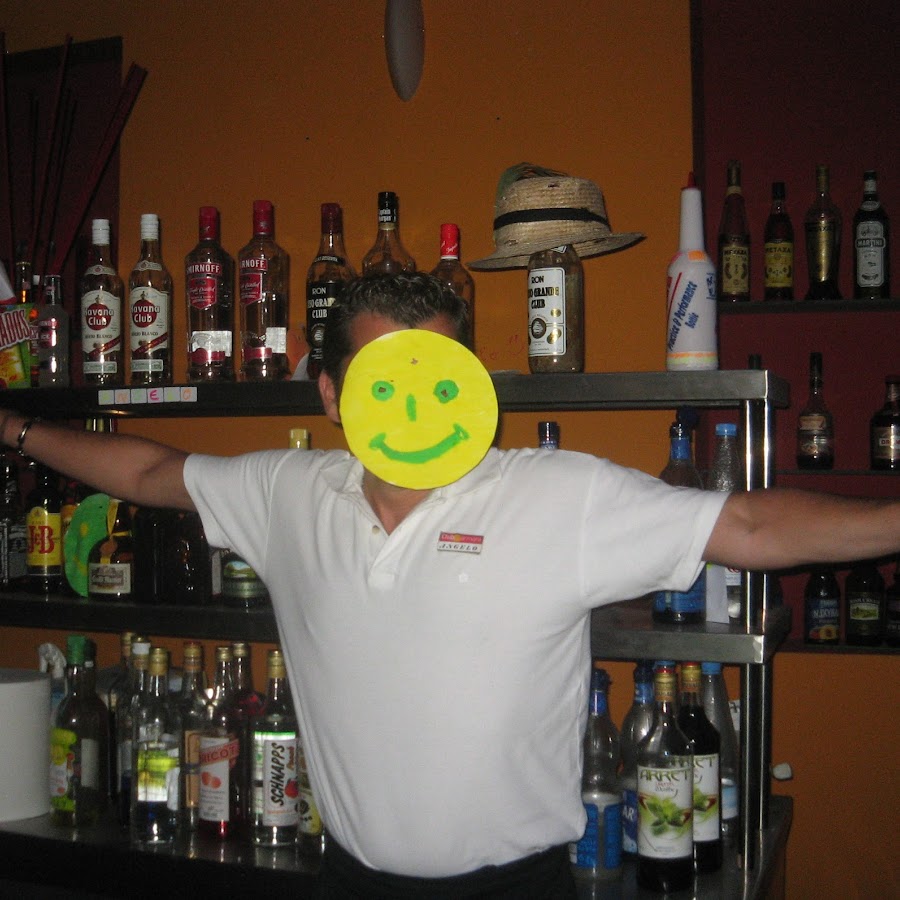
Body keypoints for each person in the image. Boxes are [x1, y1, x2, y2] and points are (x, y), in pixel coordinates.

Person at [3, 272, 899, 899]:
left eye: (438, 378)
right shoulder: (284, 493)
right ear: (331, 395)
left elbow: (748, 527)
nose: (415, 403)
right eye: (385, 379)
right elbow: (150, 471)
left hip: (518, 889)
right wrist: (15, 430)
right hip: (346, 881)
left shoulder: (556, 496)